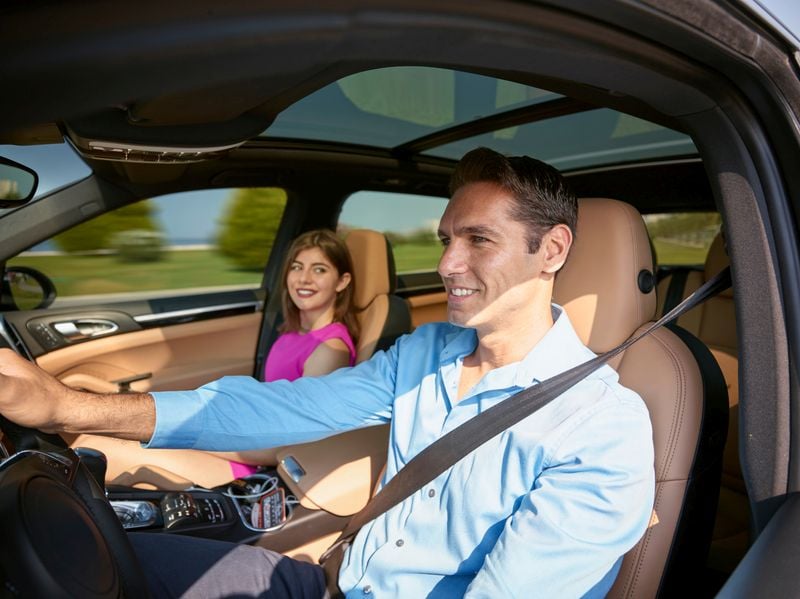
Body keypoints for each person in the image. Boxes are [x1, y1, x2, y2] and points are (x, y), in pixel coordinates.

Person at [0, 147, 655, 598]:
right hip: (328, 582)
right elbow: (279, 410)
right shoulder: (427, 352)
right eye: (446, 239)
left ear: (554, 250)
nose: (449, 264)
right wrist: (68, 406)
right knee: (85, 551)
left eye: (478, 240)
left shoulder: (602, 429)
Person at [69, 228, 360, 486]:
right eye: (297, 267)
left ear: (342, 281)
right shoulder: (292, 334)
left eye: (319, 270)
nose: (304, 278)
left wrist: (202, 436)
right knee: (97, 444)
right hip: (244, 441)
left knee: (96, 449)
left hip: (257, 466)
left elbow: (296, 443)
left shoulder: (330, 350)